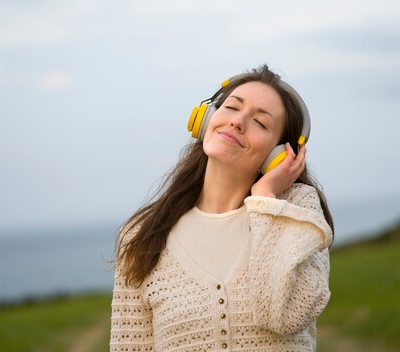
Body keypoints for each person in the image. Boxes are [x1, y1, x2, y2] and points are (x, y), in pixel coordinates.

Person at [109, 64, 335, 352]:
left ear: (279, 155)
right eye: (231, 107)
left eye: (261, 122)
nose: (237, 122)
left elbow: (284, 316)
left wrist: (265, 197)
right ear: (206, 119)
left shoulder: (297, 213)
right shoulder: (140, 234)